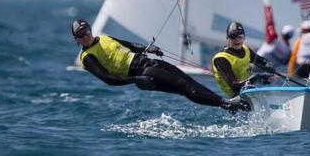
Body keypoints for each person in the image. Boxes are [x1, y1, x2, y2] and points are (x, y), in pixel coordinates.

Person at [71, 19, 247, 112]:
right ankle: (225, 104)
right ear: (76, 40)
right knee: (184, 87)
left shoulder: (103, 38)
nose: (86, 35)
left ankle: (226, 104)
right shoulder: (87, 57)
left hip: (150, 62)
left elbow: (130, 45)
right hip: (144, 73)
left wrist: (151, 48)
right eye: (81, 35)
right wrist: (135, 80)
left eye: (86, 31)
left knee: (188, 82)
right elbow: (107, 78)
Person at [211, 21, 269, 100]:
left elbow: (262, 61)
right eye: (233, 37)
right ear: (227, 39)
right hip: (235, 95)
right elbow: (234, 85)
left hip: (248, 89)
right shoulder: (221, 58)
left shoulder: (245, 49)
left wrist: (268, 66)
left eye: (240, 36)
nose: (237, 40)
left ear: (244, 38)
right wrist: (256, 78)